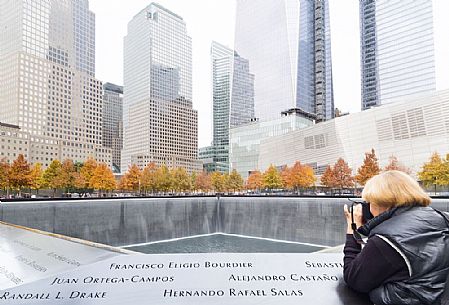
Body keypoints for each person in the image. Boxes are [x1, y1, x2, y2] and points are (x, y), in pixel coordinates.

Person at [343, 170, 449, 305]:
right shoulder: (443, 218)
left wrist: (352, 228)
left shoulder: (385, 239)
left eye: (369, 202)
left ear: (379, 203)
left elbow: (354, 278)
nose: (367, 208)